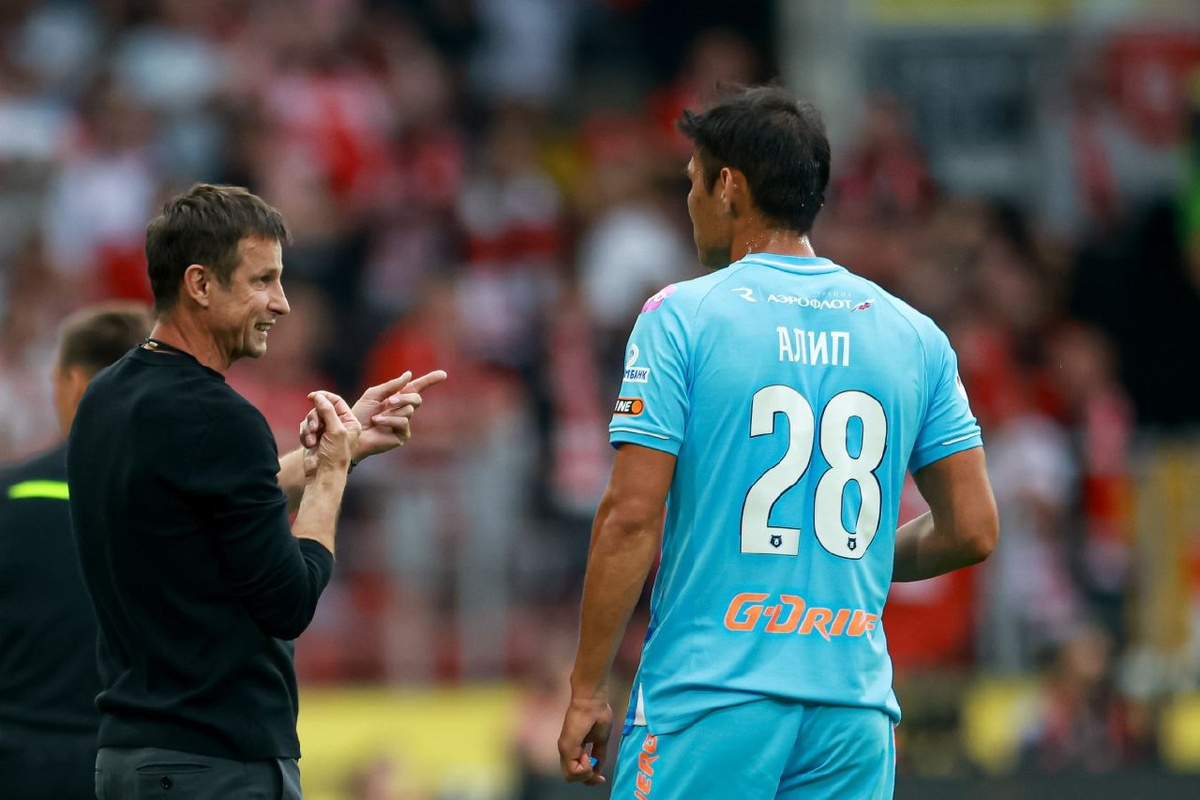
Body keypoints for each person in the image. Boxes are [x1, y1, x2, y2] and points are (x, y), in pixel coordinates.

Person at [557, 86, 999, 798]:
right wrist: (836, 562)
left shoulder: (681, 317)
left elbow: (631, 517)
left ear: (729, 186)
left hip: (711, 696)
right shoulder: (914, 334)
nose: (690, 202)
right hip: (853, 708)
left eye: (693, 182)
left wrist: (585, 689)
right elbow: (973, 529)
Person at [68, 183, 446, 799]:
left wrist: (339, 449)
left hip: (131, 757)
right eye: (263, 280)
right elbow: (288, 602)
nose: (283, 303)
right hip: (216, 762)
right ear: (200, 283)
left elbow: (213, 506)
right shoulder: (221, 418)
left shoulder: (106, 397)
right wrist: (330, 475)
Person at [0, 302, 152, 799]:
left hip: (17, 758)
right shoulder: (187, 506)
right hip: (136, 762)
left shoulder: (10, 496)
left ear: (73, 382)